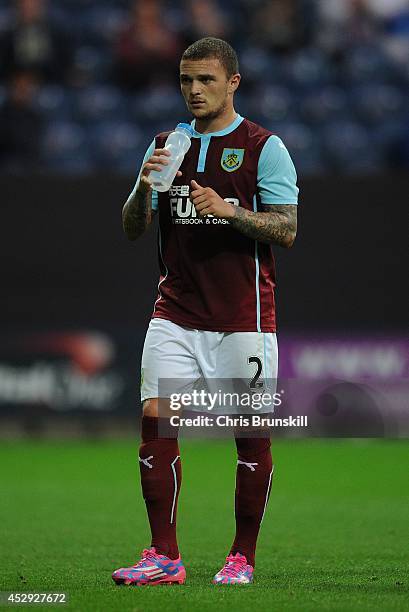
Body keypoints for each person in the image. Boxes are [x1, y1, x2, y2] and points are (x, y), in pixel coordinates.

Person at [112, 37, 298, 587]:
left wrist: (230, 210)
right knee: (154, 418)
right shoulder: (168, 144)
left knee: (250, 438)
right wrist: (145, 188)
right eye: (186, 81)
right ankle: (164, 556)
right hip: (176, 312)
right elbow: (132, 227)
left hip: (244, 318)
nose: (194, 90)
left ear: (232, 83)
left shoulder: (264, 147)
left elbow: (286, 230)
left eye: (206, 81)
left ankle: (241, 556)